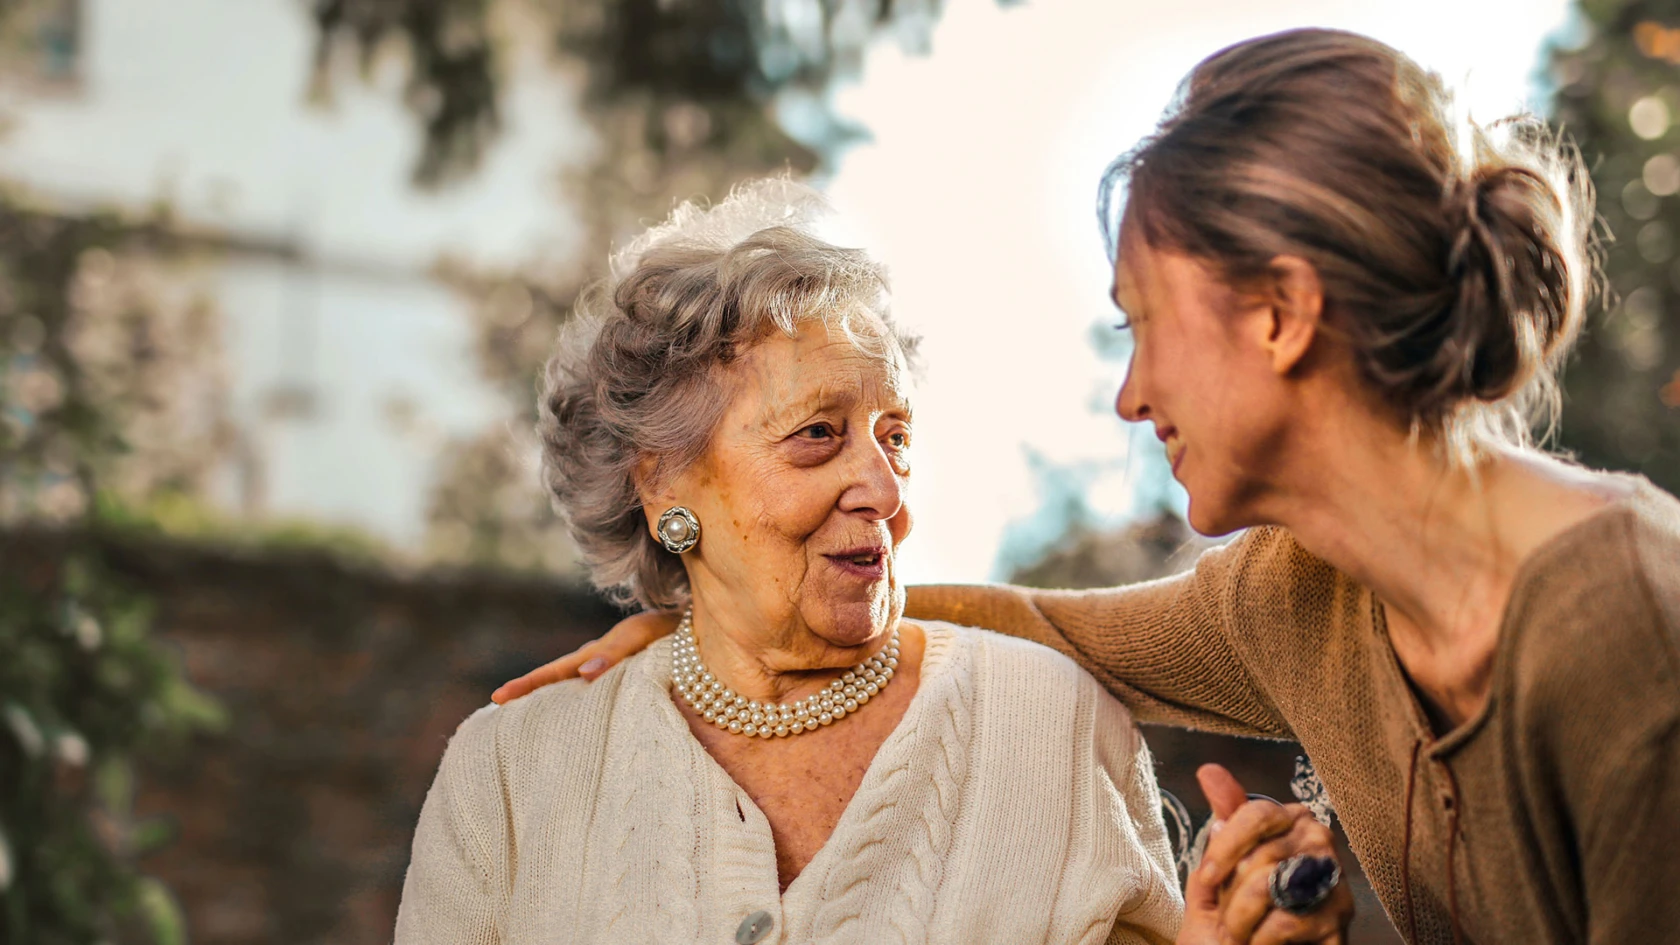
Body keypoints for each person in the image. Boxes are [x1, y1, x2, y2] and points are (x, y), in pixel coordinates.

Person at [493, 28, 1680, 945]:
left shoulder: (1625, 628)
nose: (1131, 393)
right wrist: (717, 597)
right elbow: (1049, 627)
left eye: (1145, 324)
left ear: (1280, 314)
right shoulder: (1297, 598)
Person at [394, 180, 1202, 945]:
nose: (884, 490)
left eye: (896, 437)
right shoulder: (510, 770)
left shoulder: (1052, 724)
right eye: (818, 434)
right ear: (663, 481)